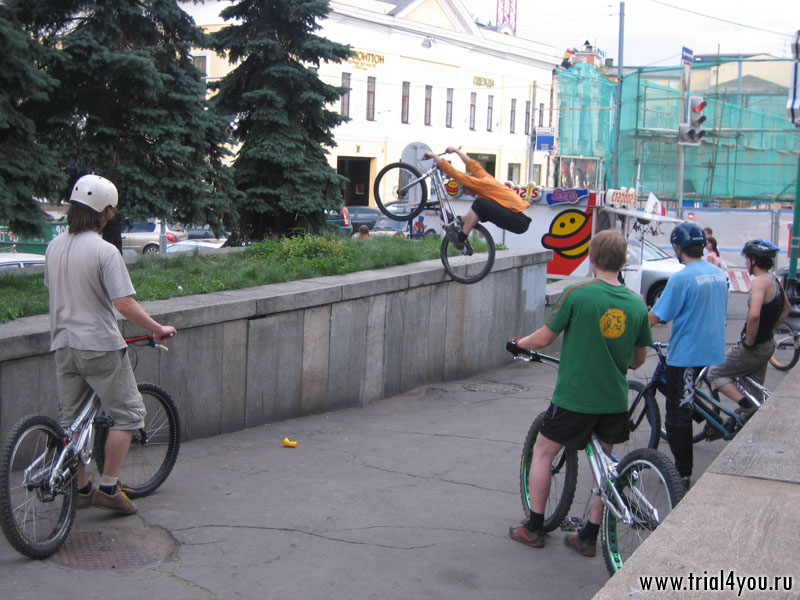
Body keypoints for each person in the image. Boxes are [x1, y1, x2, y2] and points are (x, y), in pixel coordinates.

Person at [506, 230, 652, 556]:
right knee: (605, 467)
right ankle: (588, 536)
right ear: (623, 261)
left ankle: (534, 528)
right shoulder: (636, 303)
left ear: (592, 257)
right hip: (614, 400)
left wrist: (518, 343)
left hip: (576, 398)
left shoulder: (578, 293)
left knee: (543, 453)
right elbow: (638, 358)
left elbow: (544, 338)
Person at [44, 174, 177, 514]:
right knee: (129, 415)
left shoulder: (54, 247)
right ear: (102, 212)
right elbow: (124, 304)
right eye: (110, 211)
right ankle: (107, 487)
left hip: (63, 344)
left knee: (72, 422)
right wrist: (157, 327)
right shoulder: (104, 251)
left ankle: (81, 488)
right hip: (99, 346)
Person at [648, 222, 728, 488]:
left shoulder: (681, 278)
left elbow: (656, 316)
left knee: (677, 416)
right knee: (684, 395)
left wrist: (632, 332)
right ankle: (710, 419)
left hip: (686, 353)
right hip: (712, 348)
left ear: (677, 247)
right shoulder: (718, 274)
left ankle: (682, 474)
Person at [707, 239, 790, 424]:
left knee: (715, 373)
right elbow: (786, 308)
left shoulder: (759, 282)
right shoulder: (774, 280)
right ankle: (751, 418)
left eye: (746, 259)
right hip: (768, 343)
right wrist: (769, 328)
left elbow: (754, 315)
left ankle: (747, 406)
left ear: (754, 260)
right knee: (753, 391)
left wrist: (749, 342)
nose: (745, 263)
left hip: (755, 346)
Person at [422, 146, 531, 249]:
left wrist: (434, 156)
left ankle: (461, 239)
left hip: (518, 219)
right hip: (519, 219)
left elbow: (455, 174)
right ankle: (458, 219)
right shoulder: (485, 178)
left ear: (469, 186)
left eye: (465, 191)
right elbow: (472, 164)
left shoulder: (481, 184)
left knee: (480, 204)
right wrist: (456, 151)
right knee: (481, 210)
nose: (467, 194)